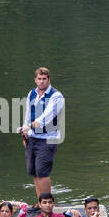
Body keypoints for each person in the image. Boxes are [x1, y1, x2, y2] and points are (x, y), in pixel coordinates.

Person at [18, 66, 63, 200]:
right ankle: (40, 203)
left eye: (44, 79)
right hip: (32, 137)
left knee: (43, 173)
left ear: (49, 79)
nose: (42, 81)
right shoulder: (31, 93)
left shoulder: (56, 96)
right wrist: (25, 132)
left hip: (48, 139)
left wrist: (27, 127)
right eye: (39, 79)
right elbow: (28, 114)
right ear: (35, 80)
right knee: (35, 173)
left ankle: (47, 204)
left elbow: (45, 118)